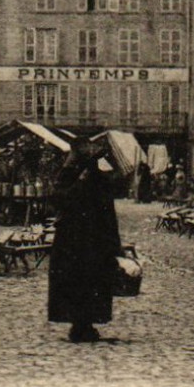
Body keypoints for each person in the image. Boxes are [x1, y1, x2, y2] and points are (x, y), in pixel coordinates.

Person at [47, 143, 121, 343]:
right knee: (76, 283)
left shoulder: (98, 180)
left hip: (89, 241)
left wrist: (114, 244)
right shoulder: (69, 177)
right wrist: (79, 183)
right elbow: (58, 199)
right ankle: (79, 324)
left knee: (90, 283)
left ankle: (85, 324)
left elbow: (108, 212)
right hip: (73, 241)